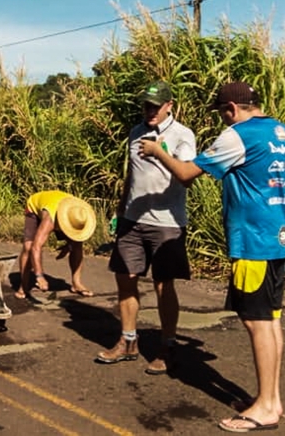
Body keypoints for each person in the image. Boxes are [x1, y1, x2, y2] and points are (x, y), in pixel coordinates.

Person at [139, 81, 285, 432]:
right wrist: (282, 221)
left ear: (231, 110)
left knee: (257, 323)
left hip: (252, 245)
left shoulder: (237, 135)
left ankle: (265, 407)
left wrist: (160, 152)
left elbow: (187, 172)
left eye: (223, 114)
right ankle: (271, 399)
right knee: (271, 320)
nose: (224, 120)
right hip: (278, 242)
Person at [95, 80, 197, 376]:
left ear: (169, 106)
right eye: (146, 105)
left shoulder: (182, 135)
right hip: (133, 219)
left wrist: (159, 152)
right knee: (125, 279)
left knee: (164, 285)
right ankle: (128, 341)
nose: (150, 111)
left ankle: (167, 346)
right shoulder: (136, 132)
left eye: (156, 105)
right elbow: (132, 174)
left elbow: (188, 177)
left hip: (167, 223)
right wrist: (120, 208)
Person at [14, 190, 97, 300]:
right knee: (28, 247)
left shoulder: (79, 213)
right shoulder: (50, 219)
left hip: (63, 207)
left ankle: (76, 283)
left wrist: (70, 245)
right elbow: (36, 247)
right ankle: (23, 286)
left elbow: (77, 238)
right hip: (35, 207)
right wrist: (39, 276)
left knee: (77, 245)